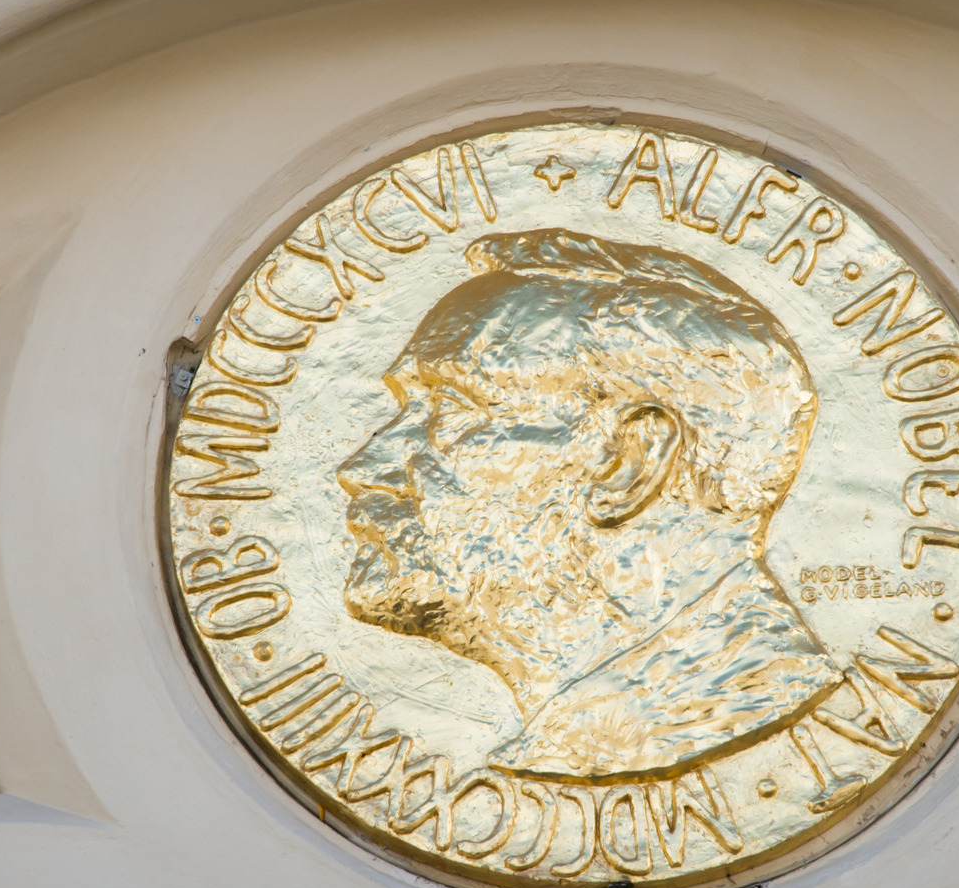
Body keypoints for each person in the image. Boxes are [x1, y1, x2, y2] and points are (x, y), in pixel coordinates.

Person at [337, 230, 843, 781]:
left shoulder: (691, 714)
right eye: (410, 409)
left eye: (451, 410)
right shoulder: (598, 729)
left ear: (631, 462)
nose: (361, 469)